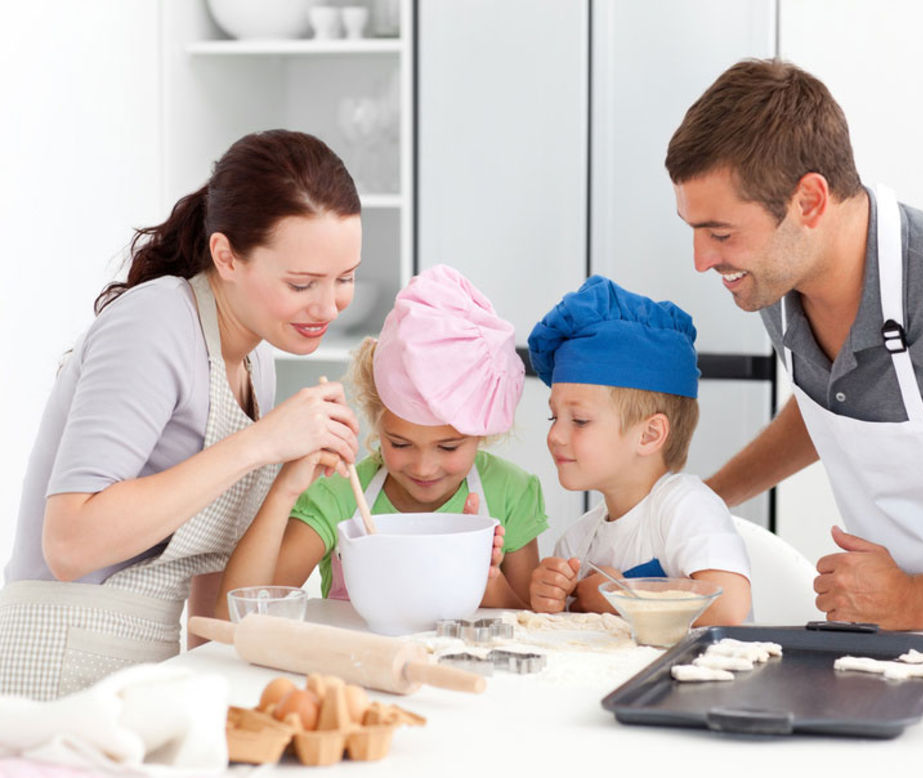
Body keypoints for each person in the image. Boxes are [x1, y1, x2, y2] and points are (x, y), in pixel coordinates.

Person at [0, 129, 363, 699]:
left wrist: (286, 483)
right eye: (301, 283)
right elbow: (69, 545)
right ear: (226, 255)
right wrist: (264, 442)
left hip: (149, 677)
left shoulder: (254, 362)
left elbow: (212, 618)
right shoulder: (155, 324)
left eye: (345, 279)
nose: (328, 306)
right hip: (57, 671)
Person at [666, 58, 923, 632]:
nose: (702, 260)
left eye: (721, 233)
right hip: (902, 648)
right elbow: (833, 403)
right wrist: (697, 505)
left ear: (809, 201)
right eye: (694, 231)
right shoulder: (778, 283)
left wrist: (915, 601)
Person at [215, 264, 549, 615]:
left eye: (448, 447)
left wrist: (488, 583)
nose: (423, 466)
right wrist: (286, 489)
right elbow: (242, 613)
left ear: (483, 432)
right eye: (400, 443)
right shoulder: (339, 494)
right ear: (376, 419)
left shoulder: (510, 493)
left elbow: (530, 624)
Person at [526, 276, 751, 624]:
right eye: (553, 416)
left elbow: (729, 606)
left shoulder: (685, 507)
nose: (555, 435)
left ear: (649, 435)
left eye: (580, 420)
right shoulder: (577, 544)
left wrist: (620, 595)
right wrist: (552, 600)